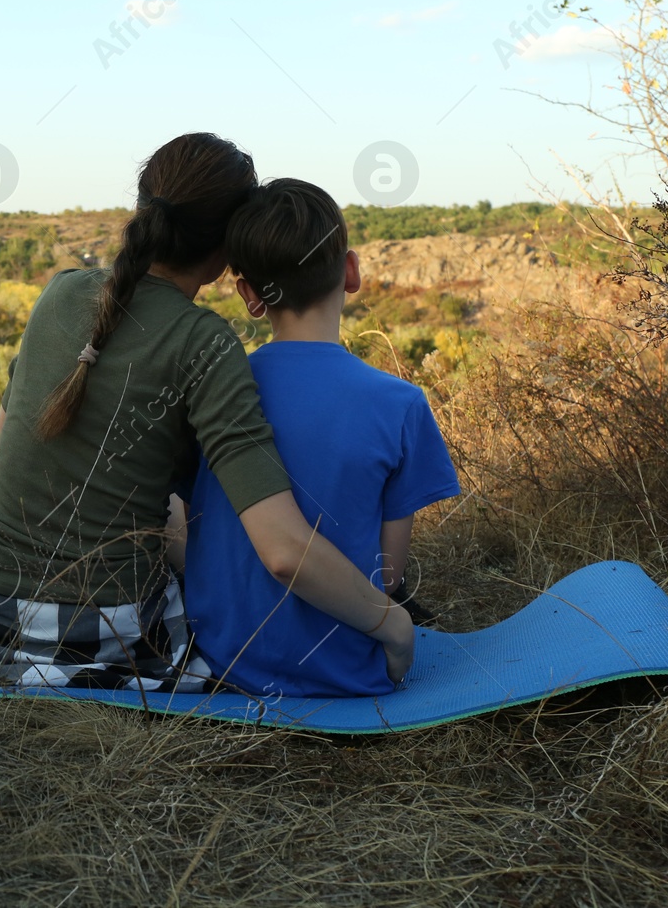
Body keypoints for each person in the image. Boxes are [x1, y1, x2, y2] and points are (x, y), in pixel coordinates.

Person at [0, 136, 415, 691]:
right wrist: (393, 623)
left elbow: (12, 438)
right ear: (224, 253)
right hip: (105, 631)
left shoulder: (62, 292)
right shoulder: (204, 342)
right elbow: (283, 551)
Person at [177, 177, 461, 698]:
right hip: (346, 672)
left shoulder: (215, 393)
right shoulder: (399, 405)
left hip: (221, 657)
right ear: (350, 272)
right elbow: (389, 574)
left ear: (250, 296)